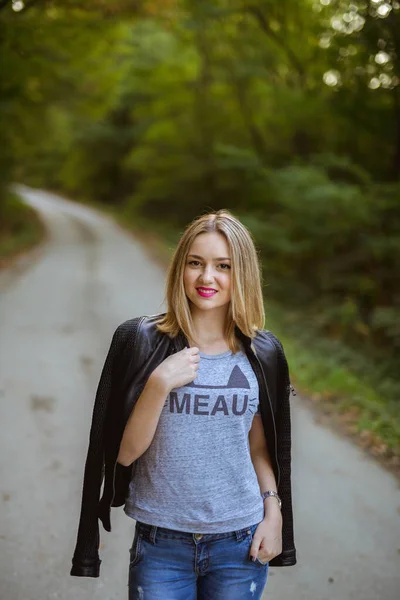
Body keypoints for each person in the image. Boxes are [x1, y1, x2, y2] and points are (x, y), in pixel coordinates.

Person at [70, 209, 296, 599]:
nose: (207, 277)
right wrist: (158, 384)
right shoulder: (140, 341)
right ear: (181, 269)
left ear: (241, 274)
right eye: (196, 263)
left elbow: (259, 447)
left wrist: (274, 512)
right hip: (161, 543)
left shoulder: (262, 353)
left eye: (223, 266)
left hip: (240, 542)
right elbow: (123, 455)